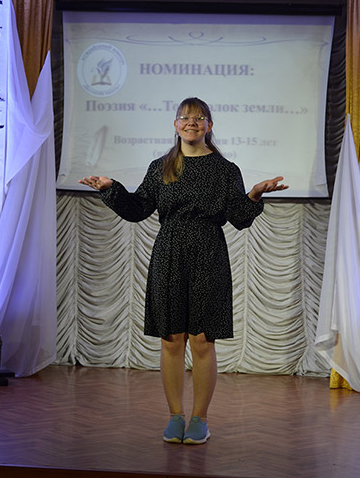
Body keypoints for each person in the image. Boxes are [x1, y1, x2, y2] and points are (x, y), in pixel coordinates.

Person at [79, 97, 287, 444]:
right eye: (185, 118)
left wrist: (254, 194)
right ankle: (175, 416)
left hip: (209, 253)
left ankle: (199, 419)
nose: (191, 122)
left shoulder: (225, 170)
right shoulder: (161, 167)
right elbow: (138, 209)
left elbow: (239, 218)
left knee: (203, 341)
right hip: (170, 252)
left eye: (199, 117)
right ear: (175, 125)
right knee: (171, 338)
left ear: (209, 126)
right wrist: (110, 189)